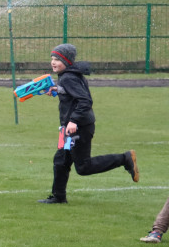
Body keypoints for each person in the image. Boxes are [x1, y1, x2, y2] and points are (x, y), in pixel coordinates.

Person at [36, 43, 138, 204]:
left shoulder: (68, 77)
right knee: (61, 161)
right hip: (69, 130)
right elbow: (73, 95)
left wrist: (74, 121)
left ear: (67, 61)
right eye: (52, 59)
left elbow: (85, 100)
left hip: (78, 128)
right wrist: (58, 90)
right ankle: (59, 197)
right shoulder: (68, 75)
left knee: (83, 167)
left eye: (57, 59)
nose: (53, 62)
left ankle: (124, 159)